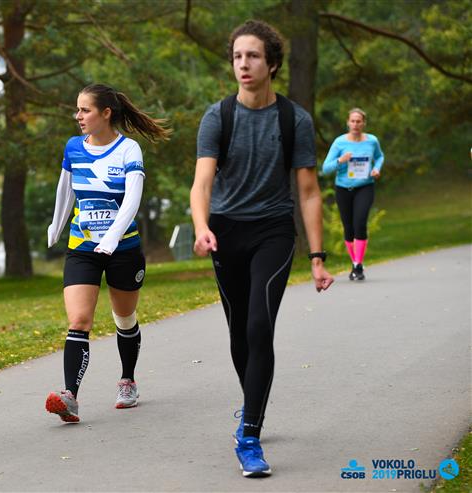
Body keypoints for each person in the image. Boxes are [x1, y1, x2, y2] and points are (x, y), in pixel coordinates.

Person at [190, 20, 333, 477]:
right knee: (238, 333)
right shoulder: (218, 117)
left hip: (273, 230)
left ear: (271, 63)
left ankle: (249, 434)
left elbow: (308, 192)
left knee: (258, 326)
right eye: (237, 56)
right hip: (225, 232)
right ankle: (253, 403)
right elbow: (202, 183)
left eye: (252, 56)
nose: (243, 64)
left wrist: (317, 257)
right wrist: (201, 227)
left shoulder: (295, 120)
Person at [45, 83, 170, 422]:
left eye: (85, 110)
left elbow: (132, 199)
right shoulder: (74, 147)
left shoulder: (128, 149)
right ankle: (69, 396)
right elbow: (65, 189)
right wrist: (56, 225)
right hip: (82, 248)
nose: (78, 116)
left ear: (106, 113)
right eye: (77, 109)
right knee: (78, 320)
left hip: (123, 249)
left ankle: (128, 380)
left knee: (124, 319)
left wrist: (113, 237)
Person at [322, 108, 384, 280]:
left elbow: (379, 157)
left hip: (365, 187)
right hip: (343, 189)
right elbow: (325, 168)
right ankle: (355, 262)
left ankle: (358, 265)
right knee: (348, 227)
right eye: (353, 121)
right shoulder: (339, 142)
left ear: (364, 123)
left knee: (360, 223)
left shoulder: (372, 141)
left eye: (359, 121)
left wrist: (376, 168)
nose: (355, 124)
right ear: (348, 123)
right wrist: (341, 160)